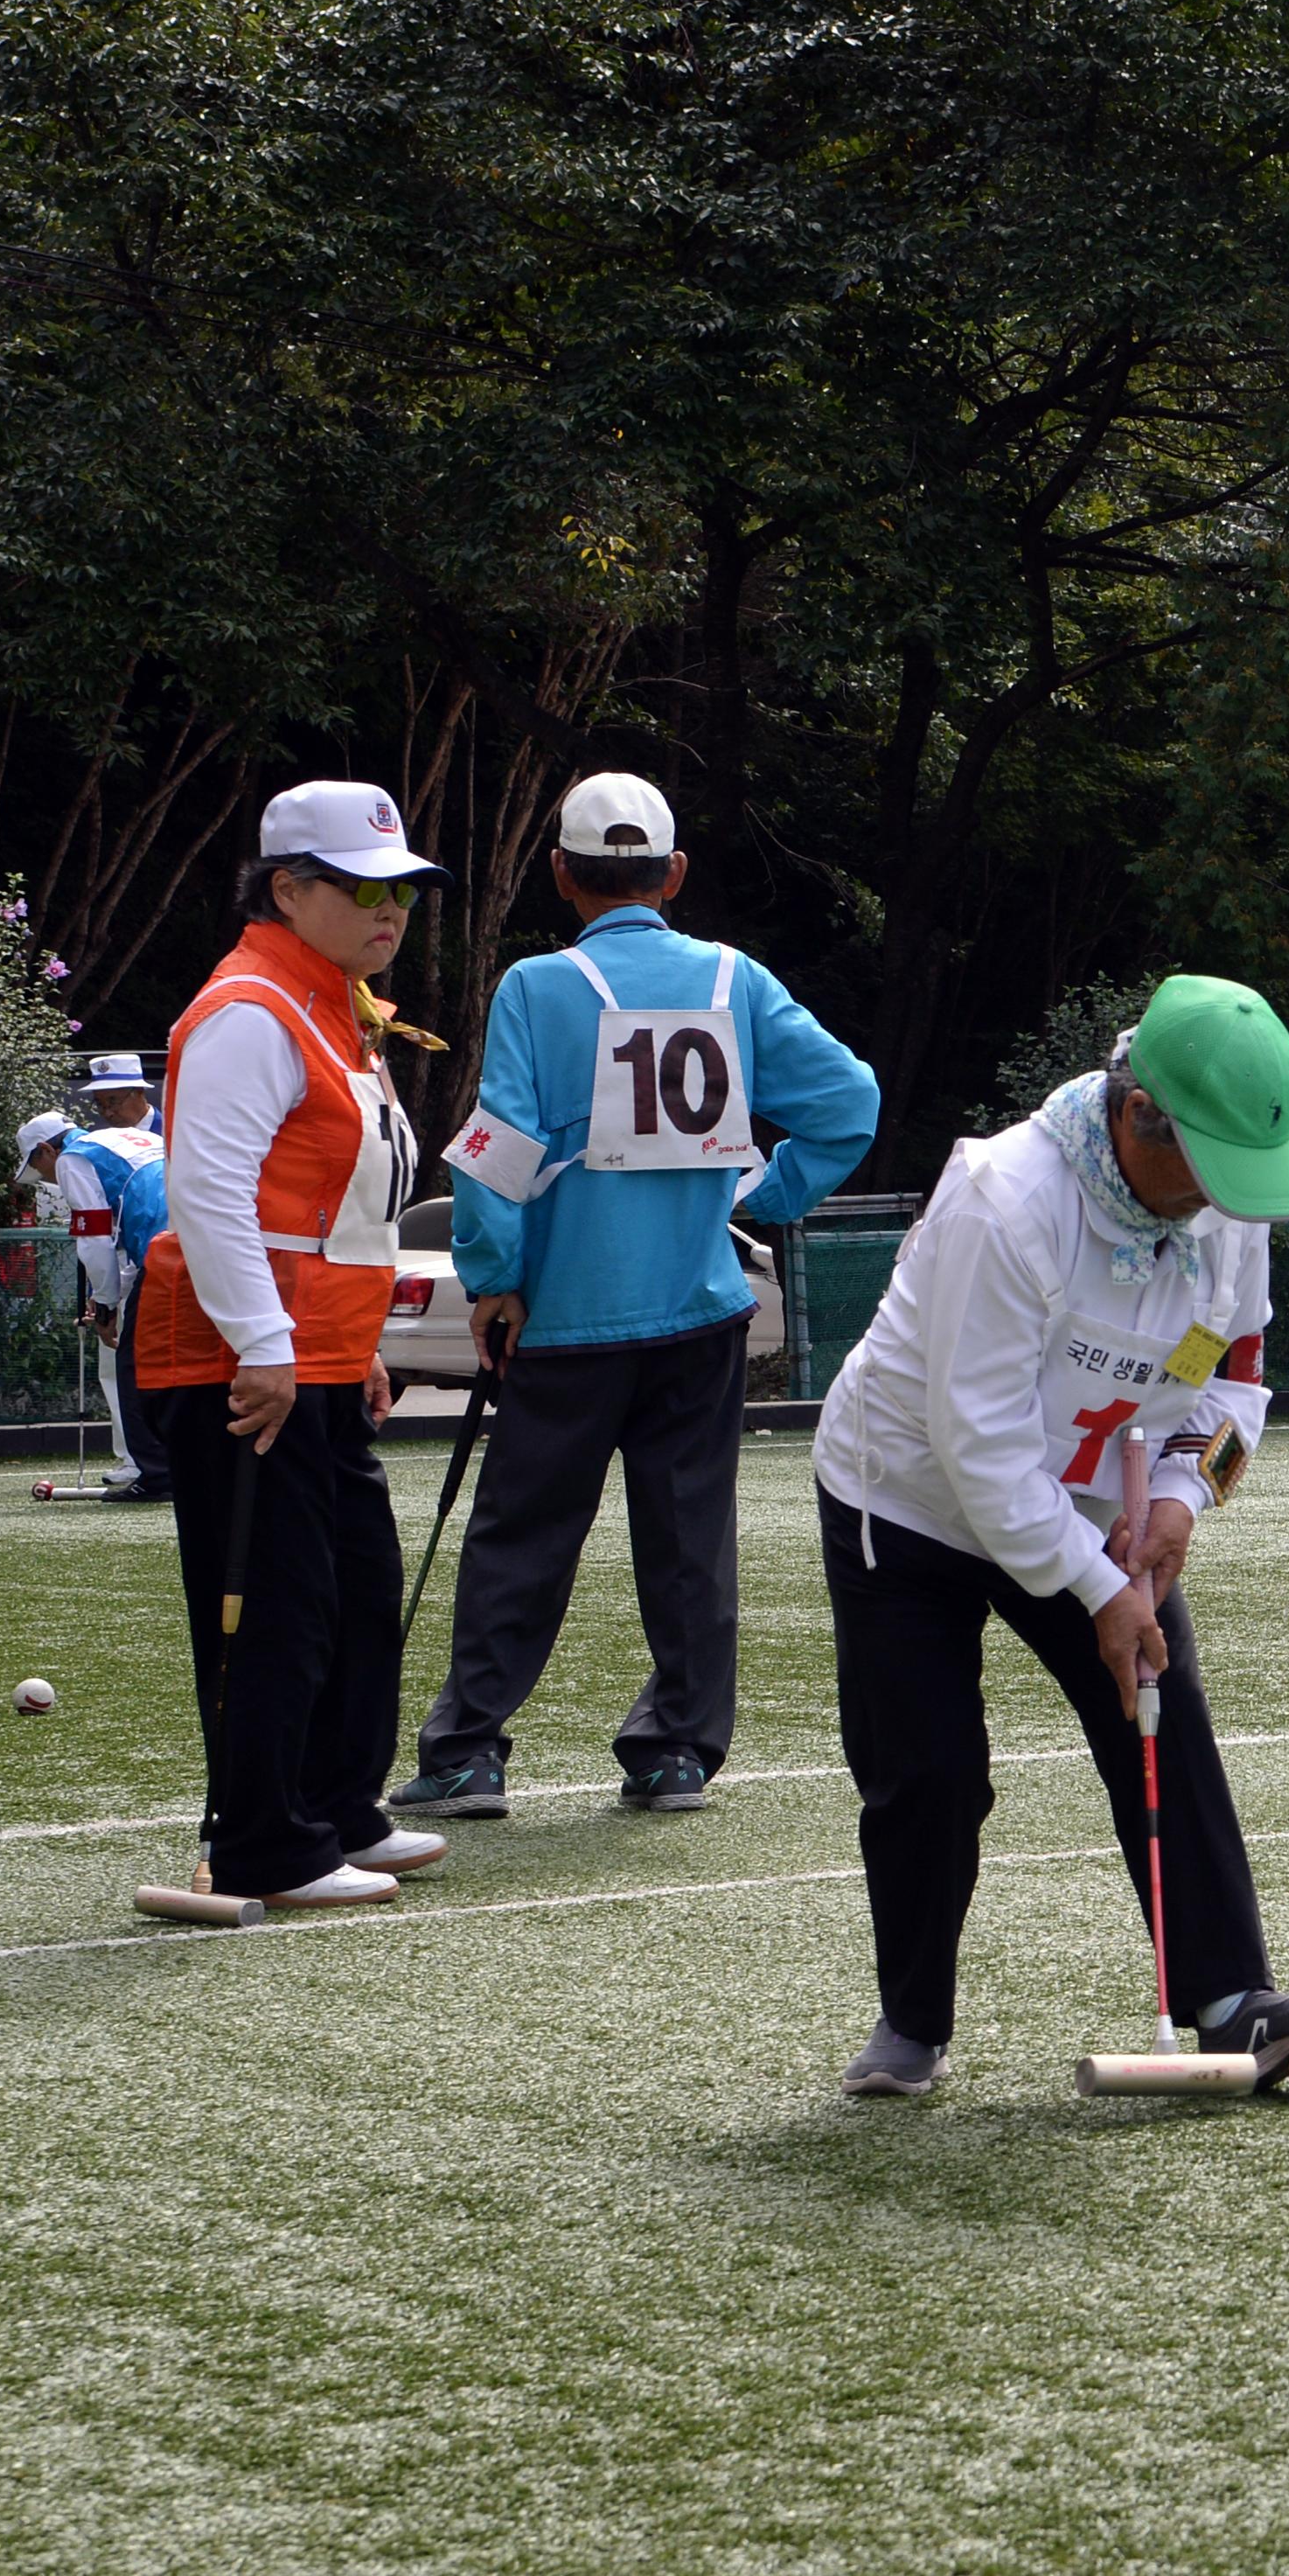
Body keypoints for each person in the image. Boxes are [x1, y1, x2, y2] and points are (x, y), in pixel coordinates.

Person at [818, 978, 1289, 2095]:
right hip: (907, 1498)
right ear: (1136, 1117)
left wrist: (1183, 1494)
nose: (1225, 1201)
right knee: (929, 1771)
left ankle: (1228, 2000)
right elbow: (976, 1446)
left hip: (1102, 1508)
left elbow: (1238, 1377)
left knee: (1161, 1721)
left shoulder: (1227, 1207)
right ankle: (911, 2021)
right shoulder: (1005, 1199)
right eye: (1208, 1169)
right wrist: (1096, 1587)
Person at [393, 774, 881, 1820]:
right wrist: (761, 1195)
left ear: (560, 873)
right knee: (688, 1538)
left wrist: (494, 1279)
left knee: (521, 1536)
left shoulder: (537, 984)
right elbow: (850, 1100)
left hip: (564, 1320)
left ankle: (469, 1753)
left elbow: (494, 1154)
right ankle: (676, 1754)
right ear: (674, 873)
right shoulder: (733, 979)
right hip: (701, 1314)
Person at [124, 782, 456, 1908]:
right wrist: (264, 1343)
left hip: (310, 1352)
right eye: (363, 887)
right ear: (286, 889)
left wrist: (344, 1343)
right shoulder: (253, 1007)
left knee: (356, 1589)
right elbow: (208, 1190)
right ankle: (268, 1840)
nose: (390, 908)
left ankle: (336, 1810)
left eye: (403, 889)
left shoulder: (330, 1004)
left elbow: (340, 1207)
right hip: (239, 1359)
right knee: (279, 1600)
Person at [56, 1054, 171, 1501]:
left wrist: (105, 1303)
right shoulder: (125, 1142)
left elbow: (97, 1241)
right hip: (162, 1256)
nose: (105, 1112)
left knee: (134, 1365)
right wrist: (113, 1294)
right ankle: (151, 1463)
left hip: (164, 1257)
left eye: (113, 1101)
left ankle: (156, 1472)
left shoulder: (78, 1155)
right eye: (99, 1104)